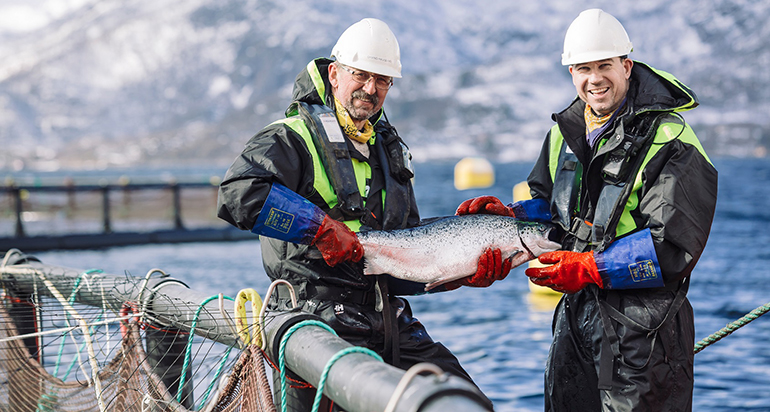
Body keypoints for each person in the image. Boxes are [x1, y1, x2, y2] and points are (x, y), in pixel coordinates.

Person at [217, 18, 504, 411]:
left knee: (464, 402)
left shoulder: (391, 151)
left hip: (387, 321)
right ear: (334, 74)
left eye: (382, 79)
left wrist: (457, 273)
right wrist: (320, 229)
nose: (371, 88)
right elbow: (238, 193)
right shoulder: (291, 137)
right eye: (361, 75)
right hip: (313, 322)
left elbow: (401, 258)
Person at [456, 8, 718, 412]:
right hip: (575, 323)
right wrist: (511, 218)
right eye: (583, 68)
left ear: (626, 66)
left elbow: (673, 245)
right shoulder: (564, 132)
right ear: (571, 73)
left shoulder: (672, 138)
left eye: (604, 66)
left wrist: (590, 268)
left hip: (646, 335)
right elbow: (551, 209)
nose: (594, 78)